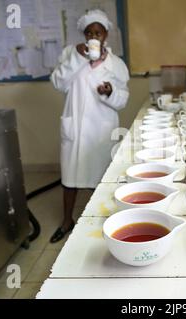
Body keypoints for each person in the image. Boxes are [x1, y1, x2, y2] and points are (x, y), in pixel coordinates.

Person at [50, 9, 129, 243]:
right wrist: (77, 58)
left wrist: (110, 92)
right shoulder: (70, 54)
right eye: (89, 32)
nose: (94, 35)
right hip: (74, 130)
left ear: (106, 35)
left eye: (98, 31)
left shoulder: (116, 64)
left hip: (101, 131)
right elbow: (58, 83)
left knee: (101, 179)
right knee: (70, 180)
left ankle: (102, 221)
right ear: (85, 36)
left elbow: (123, 99)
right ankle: (67, 221)